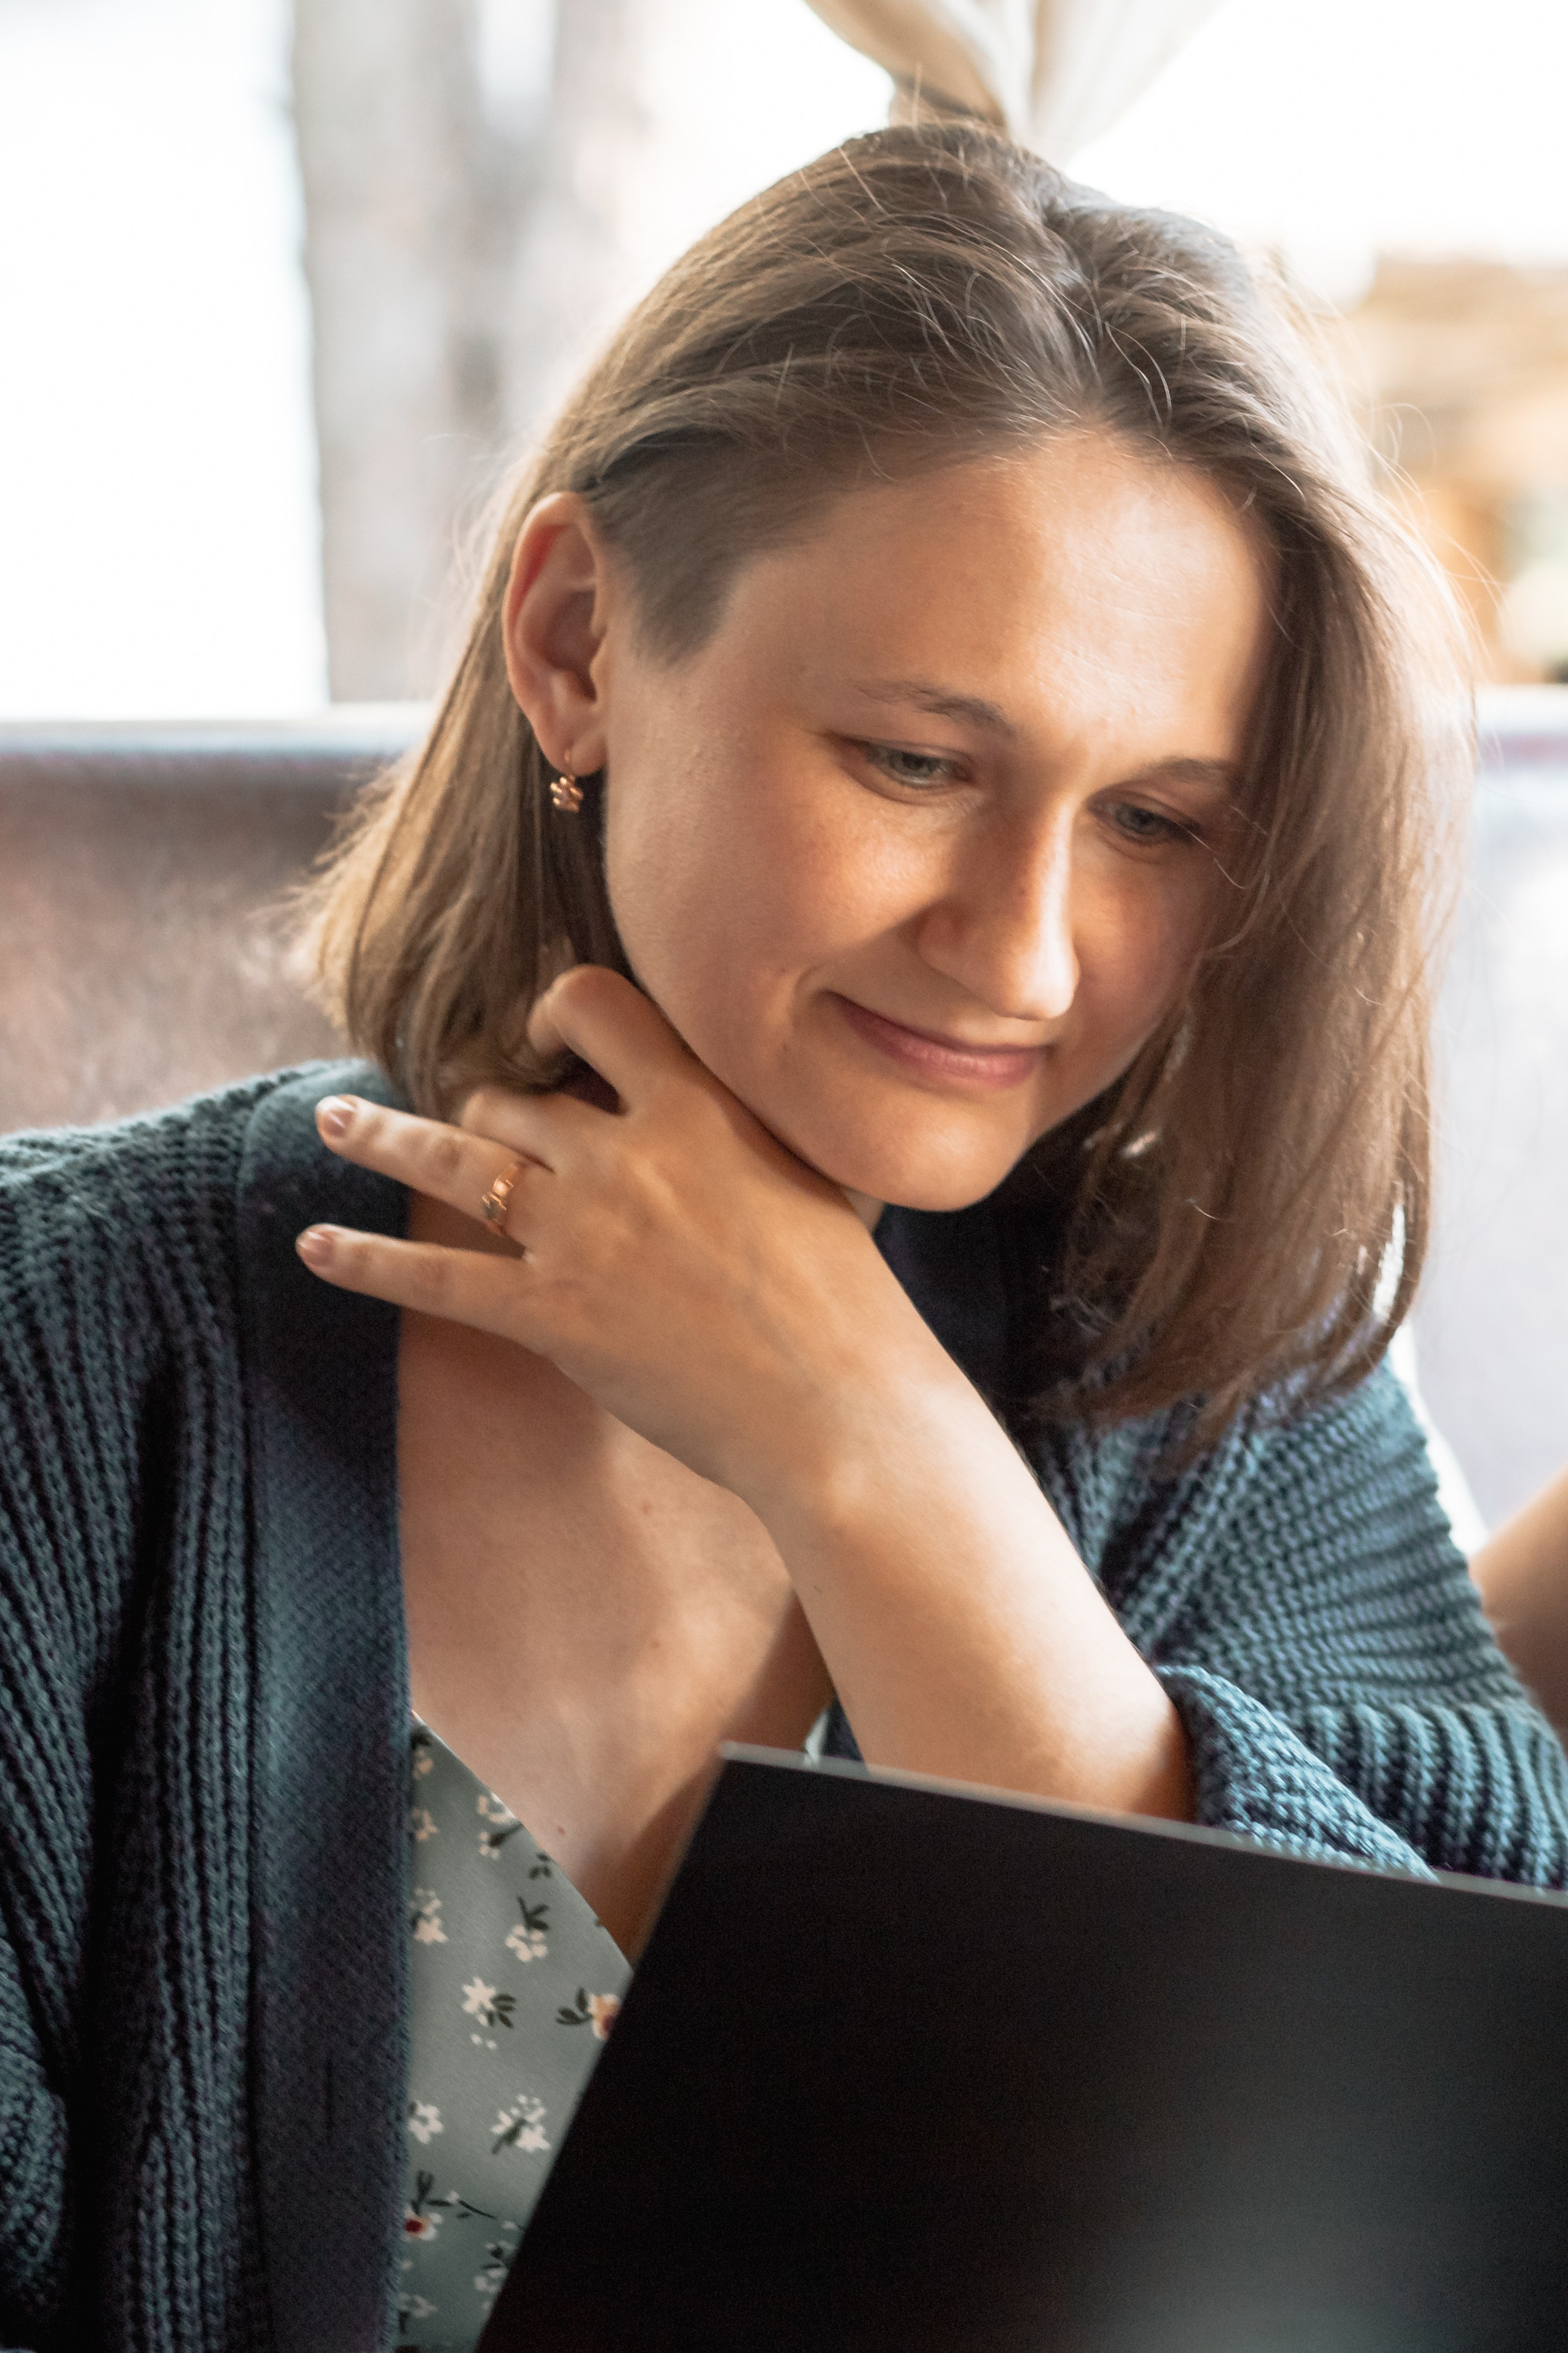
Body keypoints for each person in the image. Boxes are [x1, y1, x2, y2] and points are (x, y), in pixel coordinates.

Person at [2, 122, 1565, 2353]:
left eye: (1152, 820)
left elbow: (1456, 2213)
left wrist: (872, 1450)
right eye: (914, 762)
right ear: (574, 644)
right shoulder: (58, 1363)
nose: (1025, 951)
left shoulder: (1216, 1367)